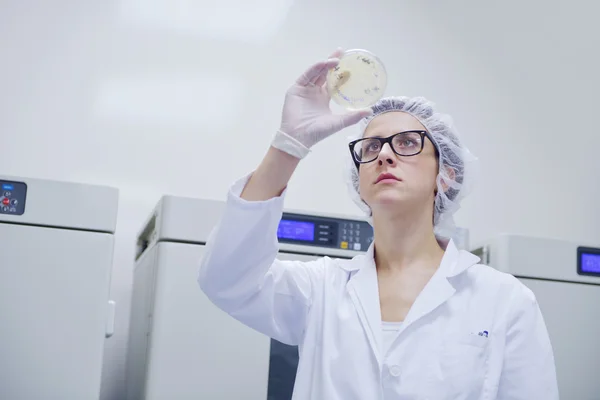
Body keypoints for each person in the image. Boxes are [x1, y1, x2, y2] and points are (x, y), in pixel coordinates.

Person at [197, 48, 559, 399]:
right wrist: (289, 144)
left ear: (446, 176)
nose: (384, 154)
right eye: (371, 148)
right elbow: (226, 280)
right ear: (359, 182)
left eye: (406, 143)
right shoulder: (320, 290)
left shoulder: (504, 300)